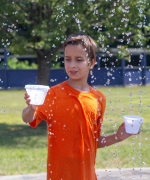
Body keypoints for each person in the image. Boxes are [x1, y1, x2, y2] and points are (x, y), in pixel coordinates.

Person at [22, 33, 135, 180]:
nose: (72, 65)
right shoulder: (53, 94)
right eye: (67, 59)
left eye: (79, 60)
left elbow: (93, 141)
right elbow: (27, 119)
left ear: (92, 63)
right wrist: (31, 108)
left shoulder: (98, 99)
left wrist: (118, 137)